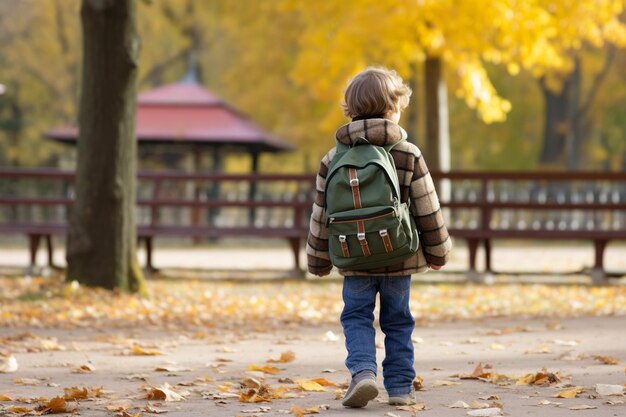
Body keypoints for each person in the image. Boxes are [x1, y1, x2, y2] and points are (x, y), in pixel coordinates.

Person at [306, 67, 451, 408]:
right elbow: (428, 208)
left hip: (352, 257)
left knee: (356, 316)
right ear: (393, 109)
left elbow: (321, 215)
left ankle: (363, 373)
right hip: (399, 255)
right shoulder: (408, 153)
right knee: (398, 320)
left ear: (351, 110)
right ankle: (400, 387)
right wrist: (438, 252)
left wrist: (317, 260)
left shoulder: (333, 158)